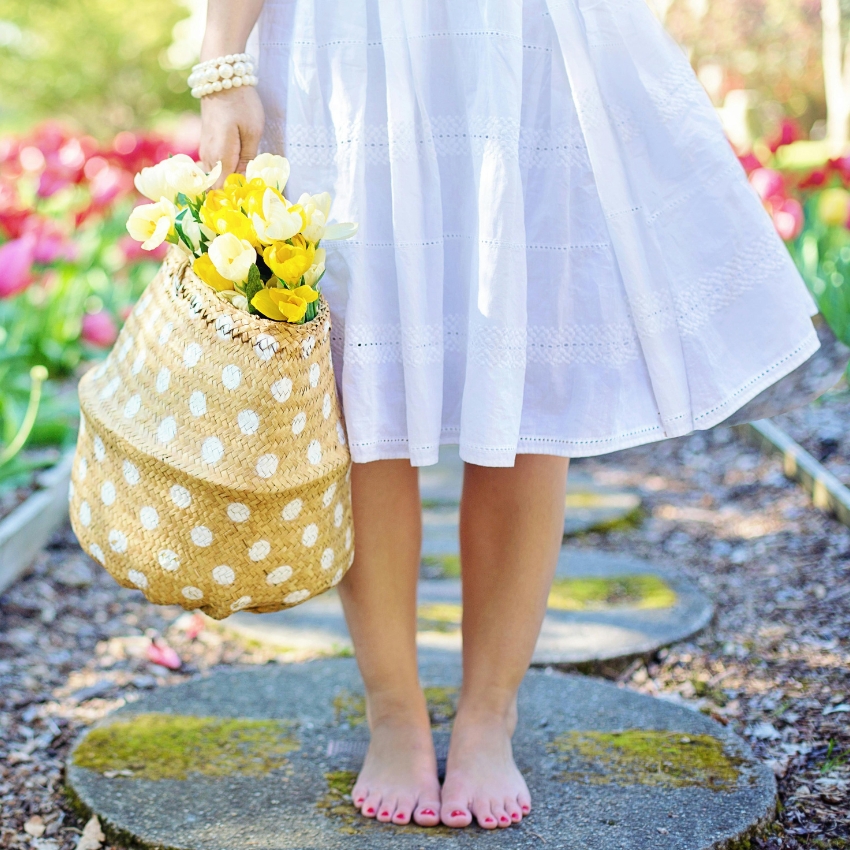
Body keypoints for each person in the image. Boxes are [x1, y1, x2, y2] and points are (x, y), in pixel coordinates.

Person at [196, 0, 818, 830]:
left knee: (526, 359)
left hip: (520, 35)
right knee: (354, 367)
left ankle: (491, 712)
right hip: (347, 35)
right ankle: (393, 711)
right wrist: (221, 62)